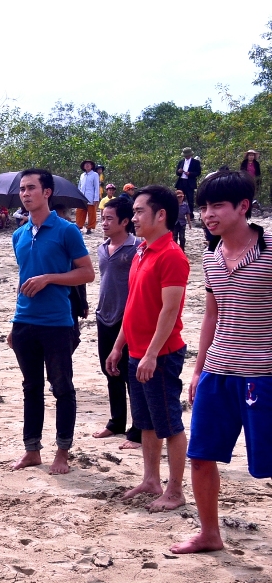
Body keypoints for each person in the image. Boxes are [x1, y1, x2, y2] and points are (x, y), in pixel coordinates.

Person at [170, 172, 271, 553]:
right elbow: (213, 314)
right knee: (201, 456)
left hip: (263, 374)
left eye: (217, 206)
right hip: (218, 371)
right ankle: (209, 533)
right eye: (204, 207)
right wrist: (198, 369)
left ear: (243, 207)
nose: (208, 215)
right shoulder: (211, 257)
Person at [105, 185, 189, 512]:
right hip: (136, 351)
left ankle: (176, 490)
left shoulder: (172, 255)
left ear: (161, 215)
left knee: (170, 423)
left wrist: (153, 353)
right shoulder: (141, 250)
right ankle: (151, 479)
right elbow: (134, 305)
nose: (134, 217)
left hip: (162, 354)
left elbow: (170, 311)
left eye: (140, 212)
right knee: (146, 422)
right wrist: (118, 347)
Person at [8, 169, 95, 474]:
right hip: (24, 321)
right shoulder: (18, 234)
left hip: (58, 322)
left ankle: (62, 452)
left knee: (62, 388)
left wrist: (49, 279)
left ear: (47, 192)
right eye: (22, 189)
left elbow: (87, 273)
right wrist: (14, 325)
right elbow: (23, 278)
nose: (25, 193)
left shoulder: (66, 230)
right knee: (30, 388)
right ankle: (32, 450)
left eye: (31, 188)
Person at [93, 198, 142, 450]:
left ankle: (139, 430)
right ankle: (116, 422)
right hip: (104, 317)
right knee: (109, 370)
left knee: (131, 375)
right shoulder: (102, 248)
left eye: (110, 218)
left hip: (128, 320)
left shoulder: (137, 248)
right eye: (102, 218)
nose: (104, 222)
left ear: (125, 221)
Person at [175, 147, 202, 215]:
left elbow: (198, 172)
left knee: (190, 199)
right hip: (181, 182)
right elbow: (177, 173)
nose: (186, 156)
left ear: (190, 155)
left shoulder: (195, 162)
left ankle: (190, 214)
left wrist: (190, 173)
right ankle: (179, 214)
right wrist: (179, 171)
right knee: (179, 198)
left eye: (187, 155)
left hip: (190, 183)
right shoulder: (181, 162)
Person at [76, 160, 101, 233]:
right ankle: (79, 226)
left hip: (91, 196)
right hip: (82, 196)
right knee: (80, 212)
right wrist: (78, 196)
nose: (87, 165)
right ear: (83, 166)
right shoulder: (82, 175)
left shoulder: (95, 174)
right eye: (85, 164)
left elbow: (96, 187)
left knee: (91, 213)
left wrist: (96, 198)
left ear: (92, 166)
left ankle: (89, 228)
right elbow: (79, 186)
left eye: (88, 164)